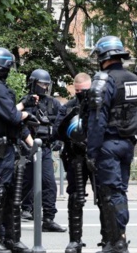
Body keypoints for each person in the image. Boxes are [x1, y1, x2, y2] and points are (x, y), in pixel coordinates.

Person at [86, 36, 137, 253]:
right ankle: (112, 239)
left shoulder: (103, 80)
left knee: (110, 193)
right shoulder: (134, 79)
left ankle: (118, 241)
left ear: (103, 57)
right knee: (119, 191)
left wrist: (92, 151)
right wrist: (133, 139)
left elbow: (97, 120)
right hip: (126, 144)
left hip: (107, 145)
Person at [0, 47, 35, 253]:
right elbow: (12, 117)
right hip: (0, 149)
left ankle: (11, 239)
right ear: (4, 68)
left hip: (1, 147)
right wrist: (26, 114)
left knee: (11, 195)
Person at [19, 69, 66, 232]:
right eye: (41, 84)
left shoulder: (54, 103)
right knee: (23, 184)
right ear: (33, 83)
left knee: (49, 183)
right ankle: (11, 212)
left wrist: (59, 140)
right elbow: (16, 122)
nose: (44, 88)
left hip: (45, 148)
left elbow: (61, 123)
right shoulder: (26, 102)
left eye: (47, 84)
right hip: (27, 148)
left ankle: (48, 219)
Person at [55, 72, 94, 253]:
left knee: (104, 198)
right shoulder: (68, 106)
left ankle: (109, 240)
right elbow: (56, 131)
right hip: (75, 157)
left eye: (84, 91)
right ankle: (75, 240)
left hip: (95, 156)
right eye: (78, 91)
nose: (81, 94)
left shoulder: (98, 106)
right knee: (75, 198)